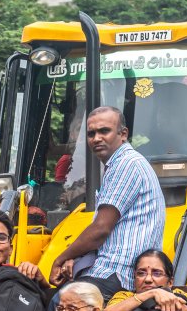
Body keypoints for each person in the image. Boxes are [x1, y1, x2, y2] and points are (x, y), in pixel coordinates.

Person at [48, 106, 166, 301]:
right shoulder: (117, 165)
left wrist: (60, 258)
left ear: (123, 134)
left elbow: (101, 229)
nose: (96, 138)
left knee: (62, 302)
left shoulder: (126, 164)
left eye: (104, 131)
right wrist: (75, 257)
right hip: (112, 269)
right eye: (91, 133)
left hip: (117, 273)